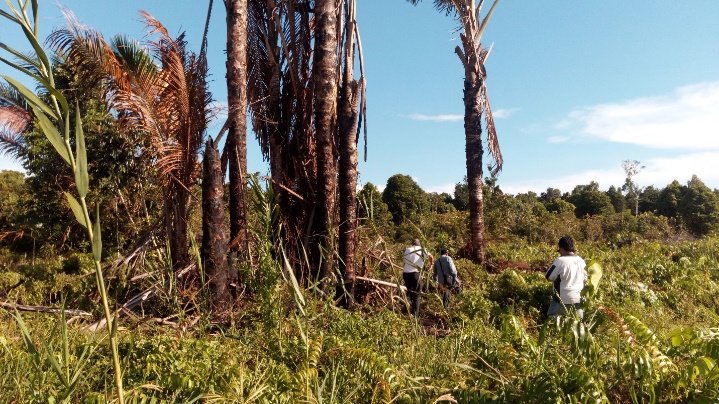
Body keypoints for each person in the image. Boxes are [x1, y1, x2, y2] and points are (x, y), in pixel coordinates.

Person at [545, 236, 588, 319]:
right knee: (577, 325)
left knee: (552, 322)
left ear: (561, 248)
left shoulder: (560, 261)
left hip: (561, 300)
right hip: (578, 299)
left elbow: (548, 277)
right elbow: (585, 279)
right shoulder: (581, 261)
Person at [402, 238, 433, 317]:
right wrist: (431, 265)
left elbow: (404, 261)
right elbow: (431, 256)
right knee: (417, 294)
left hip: (406, 274)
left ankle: (407, 304)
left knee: (410, 291)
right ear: (419, 244)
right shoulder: (422, 250)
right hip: (415, 274)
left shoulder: (408, 249)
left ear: (412, 244)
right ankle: (416, 315)